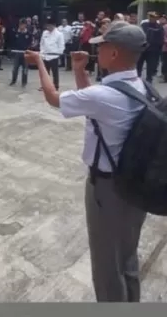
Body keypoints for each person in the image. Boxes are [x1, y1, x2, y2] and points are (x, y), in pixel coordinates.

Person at [23, 21, 148, 302]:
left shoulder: (105, 94)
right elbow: (93, 108)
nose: (97, 51)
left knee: (106, 265)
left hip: (108, 189)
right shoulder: (139, 86)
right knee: (127, 255)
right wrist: (79, 71)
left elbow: (54, 98)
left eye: (101, 46)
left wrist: (40, 62)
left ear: (114, 53)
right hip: (136, 186)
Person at [38, 18, 65, 91]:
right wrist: (42, 52)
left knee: (55, 73)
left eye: (49, 26)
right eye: (47, 26)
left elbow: (61, 46)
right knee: (45, 73)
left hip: (54, 56)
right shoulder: (44, 33)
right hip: (45, 55)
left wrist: (58, 54)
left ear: (54, 25)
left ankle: (56, 86)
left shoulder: (59, 34)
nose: (48, 27)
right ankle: (44, 86)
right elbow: (41, 43)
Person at [137, 12, 164, 83]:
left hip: (153, 49)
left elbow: (161, 38)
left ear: (156, 18)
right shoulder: (144, 25)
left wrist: (156, 46)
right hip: (143, 48)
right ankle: (137, 77)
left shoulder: (159, 26)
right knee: (139, 63)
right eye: (150, 16)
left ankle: (149, 79)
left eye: (154, 17)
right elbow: (141, 34)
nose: (152, 18)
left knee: (151, 65)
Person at [9, 19, 32, 87]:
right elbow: (13, 41)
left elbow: (30, 43)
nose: (21, 26)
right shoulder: (16, 33)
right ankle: (13, 80)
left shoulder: (28, 34)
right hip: (17, 53)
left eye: (23, 24)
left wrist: (27, 50)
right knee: (15, 68)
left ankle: (24, 82)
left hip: (25, 53)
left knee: (25, 69)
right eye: (20, 24)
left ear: (25, 25)